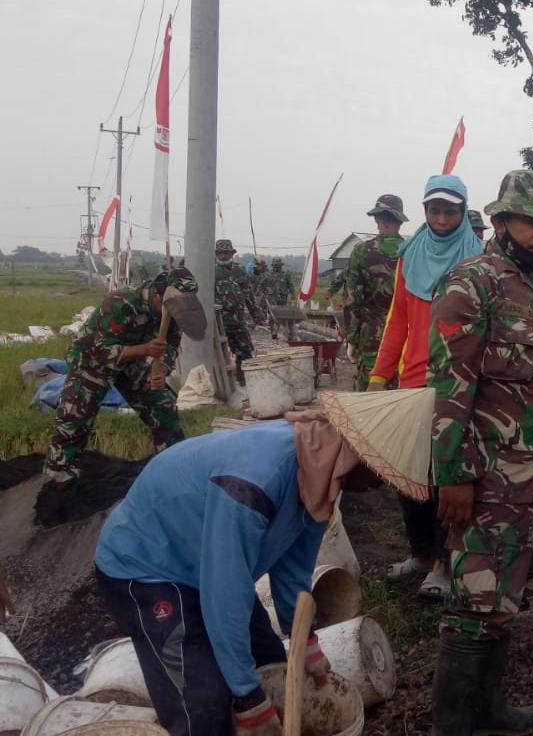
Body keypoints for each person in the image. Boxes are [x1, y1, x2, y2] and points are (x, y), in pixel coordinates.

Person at [94, 388, 434, 736]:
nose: (379, 487)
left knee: (271, 662)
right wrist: (248, 699)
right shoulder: (254, 482)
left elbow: (294, 571)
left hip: (204, 562)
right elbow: (224, 593)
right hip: (147, 567)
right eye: (381, 475)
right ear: (357, 455)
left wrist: (306, 645)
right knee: (204, 707)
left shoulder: (320, 473)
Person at [426, 169, 533, 735]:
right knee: (474, 604)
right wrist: (453, 476)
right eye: (532, 222)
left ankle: (489, 711)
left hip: (532, 478)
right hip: (485, 479)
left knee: (504, 601)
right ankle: (452, 726)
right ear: (503, 221)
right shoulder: (472, 284)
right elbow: (450, 386)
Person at [369, 175, 485, 598]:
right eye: (434, 209)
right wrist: (379, 376)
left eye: (450, 210)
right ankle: (419, 553)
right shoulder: (410, 256)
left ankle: (443, 562)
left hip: (457, 385)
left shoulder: (477, 259)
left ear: (462, 212)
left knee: (445, 479)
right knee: (408, 476)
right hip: (412, 382)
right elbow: (397, 321)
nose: (440, 218)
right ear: (424, 211)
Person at [40, 268, 206, 524]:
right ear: (157, 295)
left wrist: (160, 369)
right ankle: (58, 490)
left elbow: (171, 345)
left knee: (162, 405)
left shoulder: (174, 311)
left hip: (132, 363)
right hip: (92, 361)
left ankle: (175, 472)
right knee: (74, 423)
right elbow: (101, 349)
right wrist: (145, 349)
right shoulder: (121, 302)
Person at [344, 194, 408, 391]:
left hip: (371, 337)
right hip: (406, 339)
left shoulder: (362, 251)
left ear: (379, 219)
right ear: (400, 221)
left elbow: (353, 300)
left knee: (370, 399)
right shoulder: (413, 251)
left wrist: (352, 339)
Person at [215, 240, 259, 381]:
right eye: (220, 253)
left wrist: (256, 313)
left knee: (245, 352)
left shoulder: (239, 271)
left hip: (237, 321)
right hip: (218, 322)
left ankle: (244, 382)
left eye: (226, 253)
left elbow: (248, 294)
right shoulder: (211, 272)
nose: (223, 256)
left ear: (232, 254)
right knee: (217, 355)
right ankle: (221, 383)